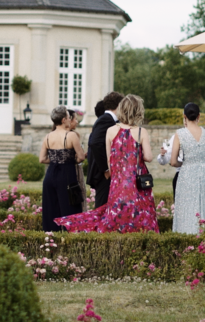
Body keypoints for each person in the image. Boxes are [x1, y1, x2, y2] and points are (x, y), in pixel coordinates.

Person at [58, 94, 158, 233]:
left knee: (115, 217)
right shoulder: (141, 132)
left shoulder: (111, 131)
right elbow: (148, 157)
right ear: (138, 111)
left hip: (117, 182)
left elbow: (110, 160)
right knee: (140, 216)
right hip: (136, 182)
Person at [167, 102, 205, 234]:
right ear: (199, 116)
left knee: (187, 208)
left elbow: (173, 161)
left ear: (184, 116)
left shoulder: (180, 133)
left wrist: (184, 163)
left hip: (187, 172)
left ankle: (187, 236)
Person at [39, 106, 87, 231]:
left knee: (51, 209)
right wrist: (70, 160)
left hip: (50, 175)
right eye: (68, 117)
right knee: (70, 208)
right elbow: (81, 157)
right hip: (66, 174)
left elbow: (42, 159)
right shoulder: (71, 135)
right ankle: (71, 238)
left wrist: (55, 160)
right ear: (64, 120)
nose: (70, 119)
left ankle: (50, 237)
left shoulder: (48, 136)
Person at [86, 92, 123, 208]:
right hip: (103, 174)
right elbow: (95, 143)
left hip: (106, 172)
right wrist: (106, 169)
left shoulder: (109, 119)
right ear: (118, 105)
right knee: (102, 207)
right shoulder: (106, 119)